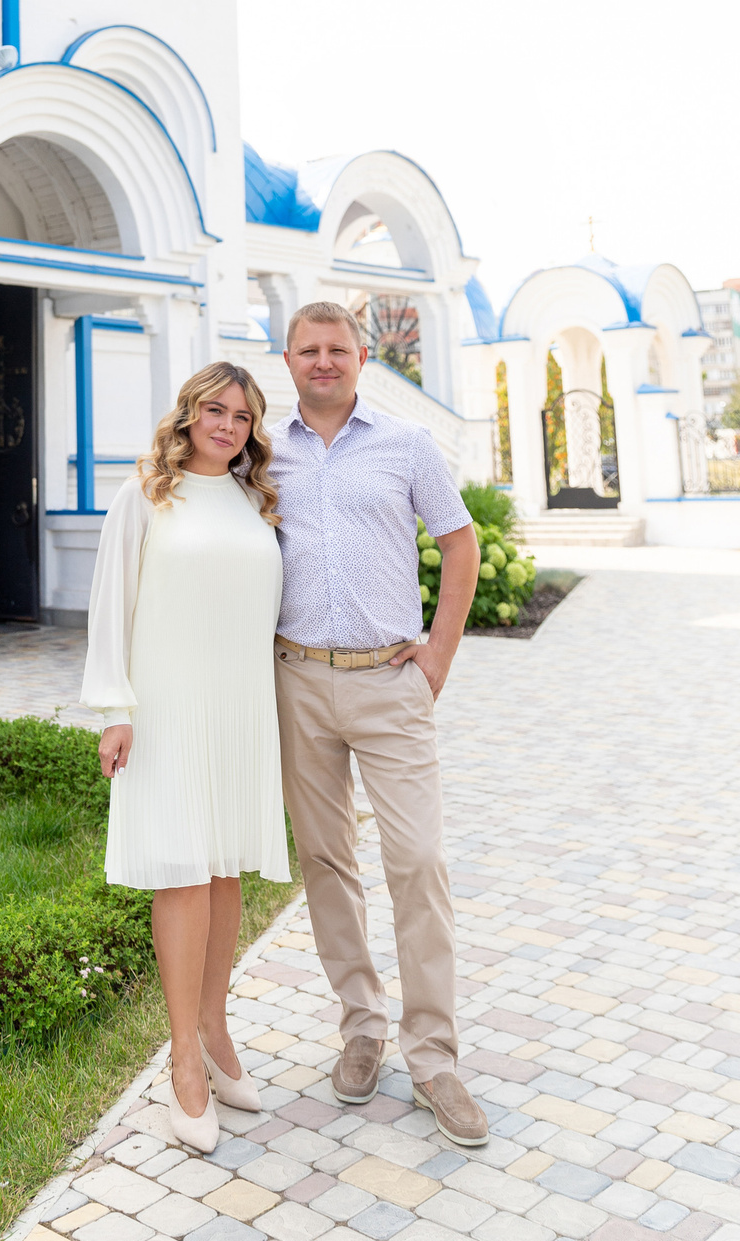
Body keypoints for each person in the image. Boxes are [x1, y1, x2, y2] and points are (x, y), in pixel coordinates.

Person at [267, 300, 490, 1146]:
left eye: (337, 349)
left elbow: (459, 545)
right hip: (297, 679)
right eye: (308, 350)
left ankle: (433, 1054)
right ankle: (361, 1027)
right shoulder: (266, 452)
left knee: (418, 860)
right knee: (326, 860)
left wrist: (438, 655)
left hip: (390, 681)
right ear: (286, 359)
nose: (323, 361)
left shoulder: (407, 445)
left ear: (362, 356)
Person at [85, 361, 292, 1153]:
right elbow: (112, 606)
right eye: (216, 409)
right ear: (189, 413)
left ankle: (215, 1025)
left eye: (242, 416)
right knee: (181, 868)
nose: (228, 425)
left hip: (240, 706)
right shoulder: (143, 496)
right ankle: (182, 1061)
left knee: (225, 867)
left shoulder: (253, 501)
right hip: (168, 705)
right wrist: (115, 709)